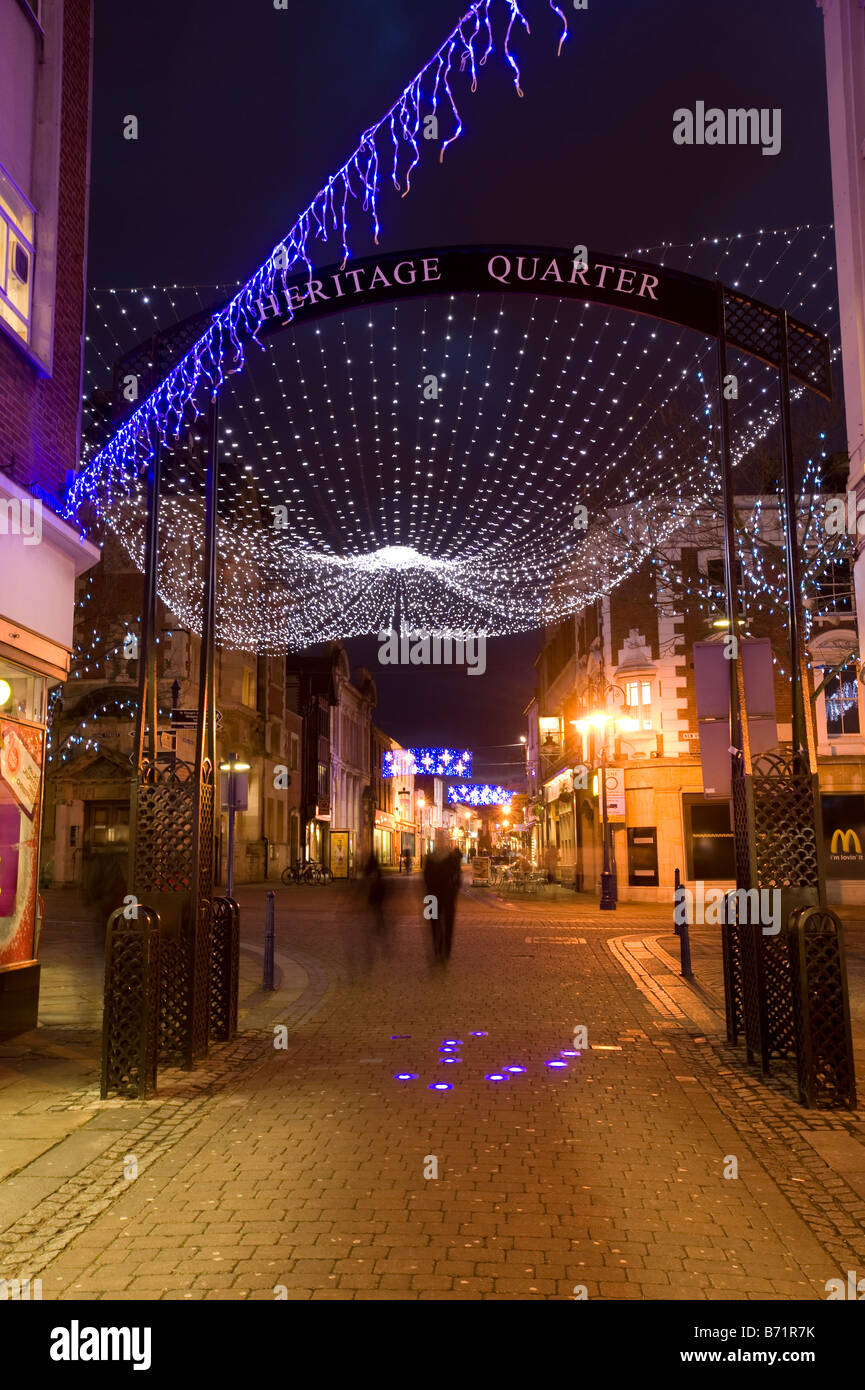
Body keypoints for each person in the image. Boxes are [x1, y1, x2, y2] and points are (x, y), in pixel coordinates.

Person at [423, 841, 461, 963]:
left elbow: (426, 877)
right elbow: (458, 876)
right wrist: (454, 891)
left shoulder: (430, 858)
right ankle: (446, 947)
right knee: (447, 922)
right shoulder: (451, 858)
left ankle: (438, 946)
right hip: (447, 895)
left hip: (433, 896)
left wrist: (428, 890)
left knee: (434, 922)